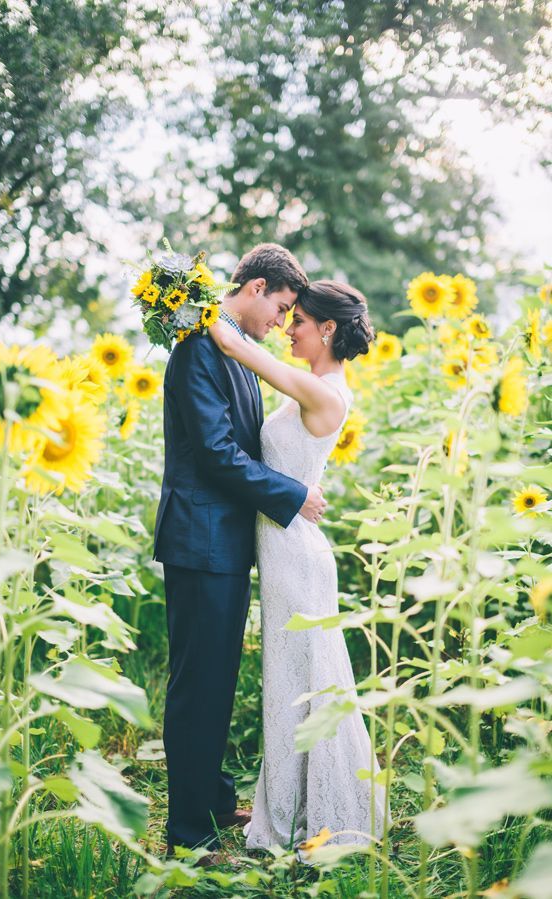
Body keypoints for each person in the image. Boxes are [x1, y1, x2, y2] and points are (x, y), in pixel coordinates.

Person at [153, 243, 327, 864]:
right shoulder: (200, 346)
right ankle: (189, 833)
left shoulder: (230, 345)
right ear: (254, 288)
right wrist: (293, 496)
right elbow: (217, 455)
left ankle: (213, 800)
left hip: (222, 542)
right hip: (200, 541)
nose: (281, 323)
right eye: (280, 308)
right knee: (198, 682)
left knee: (216, 678)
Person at [208, 279, 387, 852]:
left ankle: (312, 815)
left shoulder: (326, 391)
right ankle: (292, 805)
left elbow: (238, 347)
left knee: (305, 686)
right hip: (285, 547)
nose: (288, 328)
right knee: (294, 684)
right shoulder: (314, 386)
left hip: (296, 558)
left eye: (299, 321)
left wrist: (181, 296)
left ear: (328, 330)